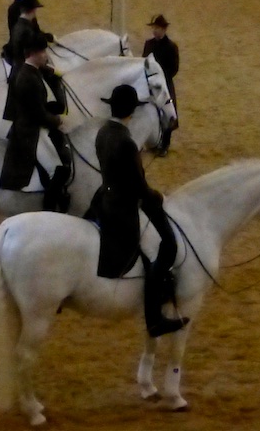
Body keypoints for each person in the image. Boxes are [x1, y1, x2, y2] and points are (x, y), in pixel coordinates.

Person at [85, 84, 188, 337]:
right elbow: (139, 188)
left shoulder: (103, 132)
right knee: (168, 244)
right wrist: (158, 196)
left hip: (104, 198)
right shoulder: (126, 142)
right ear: (132, 111)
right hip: (123, 207)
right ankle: (154, 318)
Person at [0, 35, 72, 213]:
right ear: (34, 54)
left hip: (33, 125)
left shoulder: (30, 71)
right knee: (58, 170)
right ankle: (50, 209)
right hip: (29, 131)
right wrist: (58, 120)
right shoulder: (28, 78)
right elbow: (37, 113)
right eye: (43, 52)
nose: (46, 55)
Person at [141, 15, 179, 150]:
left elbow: (174, 68)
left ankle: (165, 143)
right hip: (150, 83)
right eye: (154, 28)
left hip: (164, 83)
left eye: (157, 28)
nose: (155, 31)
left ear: (163, 29)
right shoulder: (149, 44)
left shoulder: (171, 47)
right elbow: (144, 62)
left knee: (167, 111)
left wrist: (161, 78)